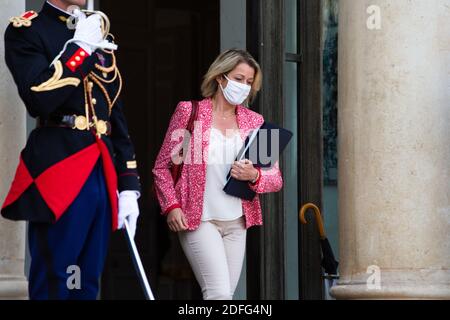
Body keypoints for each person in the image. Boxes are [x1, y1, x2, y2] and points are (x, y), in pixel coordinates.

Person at [1, 0, 141, 300]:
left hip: (101, 169)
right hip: (60, 167)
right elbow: (37, 98)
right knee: (57, 277)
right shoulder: (27, 30)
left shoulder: (98, 30)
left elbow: (113, 112)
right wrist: (80, 50)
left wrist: (129, 184)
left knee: (86, 279)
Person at [152, 49, 283, 300]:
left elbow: (275, 179)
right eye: (238, 78)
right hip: (199, 219)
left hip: (237, 223)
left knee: (224, 297)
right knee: (219, 295)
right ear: (221, 78)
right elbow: (163, 167)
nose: (244, 86)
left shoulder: (255, 121)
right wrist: (171, 206)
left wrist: (254, 175)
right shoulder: (189, 113)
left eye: (248, 82)